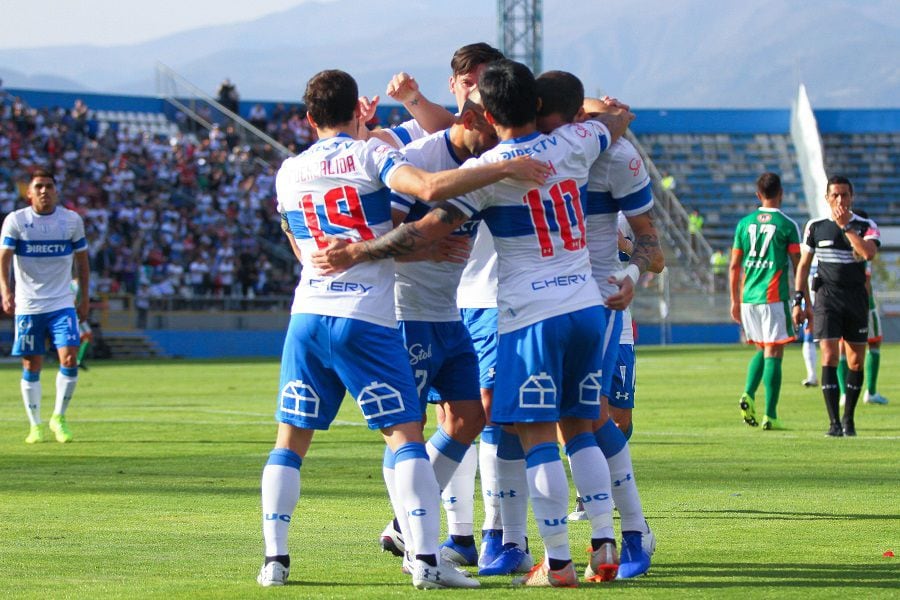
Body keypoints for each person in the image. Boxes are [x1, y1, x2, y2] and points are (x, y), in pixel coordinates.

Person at [311, 60, 633, 587]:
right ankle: (603, 546)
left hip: (531, 317)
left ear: (485, 111)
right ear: (535, 106)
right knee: (581, 426)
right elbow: (612, 124)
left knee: (536, 438)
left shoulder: (488, 172)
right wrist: (609, 114)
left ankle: (556, 565)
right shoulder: (577, 141)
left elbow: (422, 232)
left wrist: (358, 252)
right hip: (584, 308)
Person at [257, 68, 549, 589]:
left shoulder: (287, 171)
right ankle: (426, 561)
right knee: (406, 436)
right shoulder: (370, 156)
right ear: (356, 111)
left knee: (289, 440)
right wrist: (502, 168)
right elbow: (431, 187)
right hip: (368, 316)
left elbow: (299, 243)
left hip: (307, 314)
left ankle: (275, 562)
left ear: (308, 118)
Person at [533, 80, 663, 580]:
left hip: (598, 303)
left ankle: (630, 533)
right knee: (558, 421)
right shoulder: (530, 149)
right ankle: (520, 539)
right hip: (537, 304)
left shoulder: (616, 157)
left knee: (593, 417)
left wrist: (630, 275)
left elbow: (653, 245)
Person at [0, 169, 90, 444]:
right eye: (38, 186)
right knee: (32, 363)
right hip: (29, 305)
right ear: (28, 193)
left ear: (56, 191)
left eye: (49, 186)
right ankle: (35, 424)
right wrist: (5, 290)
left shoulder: (71, 221)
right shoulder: (16, 221)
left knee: (71, 357)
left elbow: (83, 264)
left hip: (62, 302)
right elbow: (3, 259)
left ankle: (59, 417)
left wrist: (84, 297)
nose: (44, 191)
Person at [792, 175, 880, 437]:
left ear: (852, 197)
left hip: (855, 299)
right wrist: (799, 300)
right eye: (836, 195)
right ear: (827, 198)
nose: (841, 199)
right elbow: (803, 265)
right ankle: (833, 423)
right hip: (826, 299)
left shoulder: (866, 225)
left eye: (845, 195)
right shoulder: (815, 227)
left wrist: (846, 228)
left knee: (855, 362)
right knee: (829, 357)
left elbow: (868, 253)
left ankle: (849, 419)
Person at [729, 173, 802, 431]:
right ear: (780, 193)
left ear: (758, 195)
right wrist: (800, 301)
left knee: (762, 349)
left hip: (749, 297)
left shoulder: (744, 224)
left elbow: (734, 265)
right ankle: (771, 415)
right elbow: (798, 265)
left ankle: (748, 393)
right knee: (774, 351)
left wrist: (734, 301)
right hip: (773, 296)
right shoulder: (787, 225)